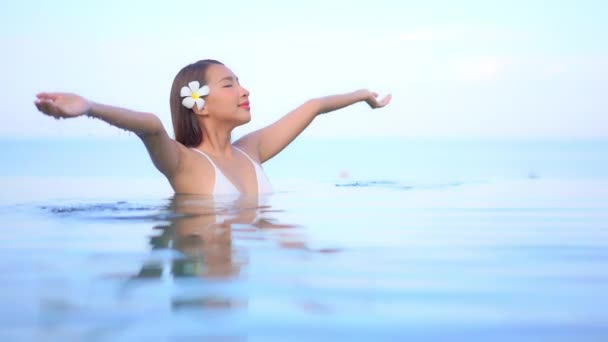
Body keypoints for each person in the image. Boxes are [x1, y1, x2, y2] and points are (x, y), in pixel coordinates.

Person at [34, 59, 392, 196]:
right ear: (199, 104)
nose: (244, 90)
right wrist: (89, 108)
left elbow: (313, 107)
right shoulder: (185, 164)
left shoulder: (251, 151)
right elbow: (152, 128)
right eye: (229, 84)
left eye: (240, 81)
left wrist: (363, 96)